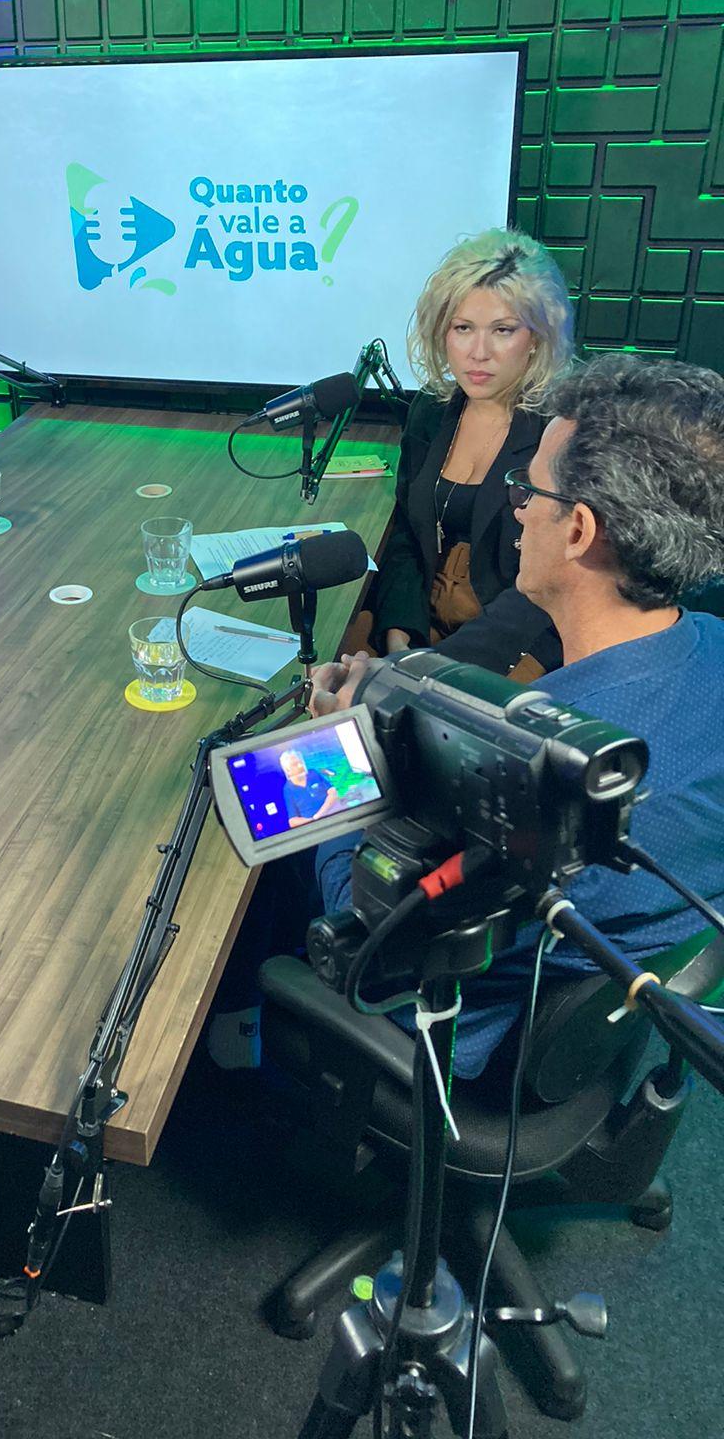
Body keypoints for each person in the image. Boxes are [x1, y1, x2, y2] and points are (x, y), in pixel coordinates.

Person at [308, 353, 724, 1079]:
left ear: (579, 530)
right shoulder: (713, 646)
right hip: (602, 1030)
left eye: (526, 490)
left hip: (454, 1045)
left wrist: (345, 744)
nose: (518, 512)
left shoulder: (518, 779)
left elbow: (369, 936)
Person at [357, 229, 574, 679]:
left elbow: (558, 580)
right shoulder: (430, 411)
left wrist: (438, 670)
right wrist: (400, 633)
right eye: (463, 328)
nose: (479, 353)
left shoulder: (561, 430)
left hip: (521, 644)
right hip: (423, 626)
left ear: (537, 336)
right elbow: (406, 534)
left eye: (503, 330)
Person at [280, 750, 339, 828]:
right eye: (295, 764)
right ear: (288, 770)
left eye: (300, 762)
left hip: (333, 816)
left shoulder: (313, 773)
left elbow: (333, 793)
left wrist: (319, 815)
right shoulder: (288, 789)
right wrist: (312, 821)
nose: (300, 765)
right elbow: (293, 821)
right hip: (314, 827)